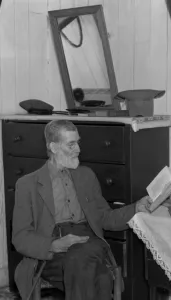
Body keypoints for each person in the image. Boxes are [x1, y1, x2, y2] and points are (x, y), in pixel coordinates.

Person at [12, 119, 152, 300]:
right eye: (71, 144)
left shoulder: (87, 176)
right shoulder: (27, 184)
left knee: (80, 256)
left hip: (88, 239)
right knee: (101, 278)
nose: (78, 149)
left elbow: (105, 218)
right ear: (54, 147)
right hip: (53, 249)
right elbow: (21, 237)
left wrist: (136, 208)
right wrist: (54, 245)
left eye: (78, 142)